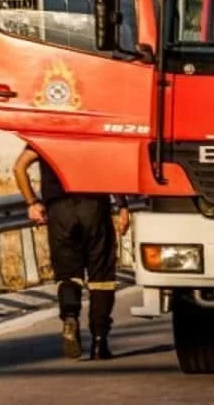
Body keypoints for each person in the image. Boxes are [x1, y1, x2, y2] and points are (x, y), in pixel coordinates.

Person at [14, 146, 130, 360]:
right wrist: (122, 205)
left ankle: (69, 315)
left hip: (59, 210)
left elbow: (19, 167)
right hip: (94, 207)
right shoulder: (95, 133)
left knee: (68, 274)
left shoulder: (43, 135)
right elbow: (113, 167)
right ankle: (99, 342)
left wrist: (32, 202)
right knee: (101, 278)